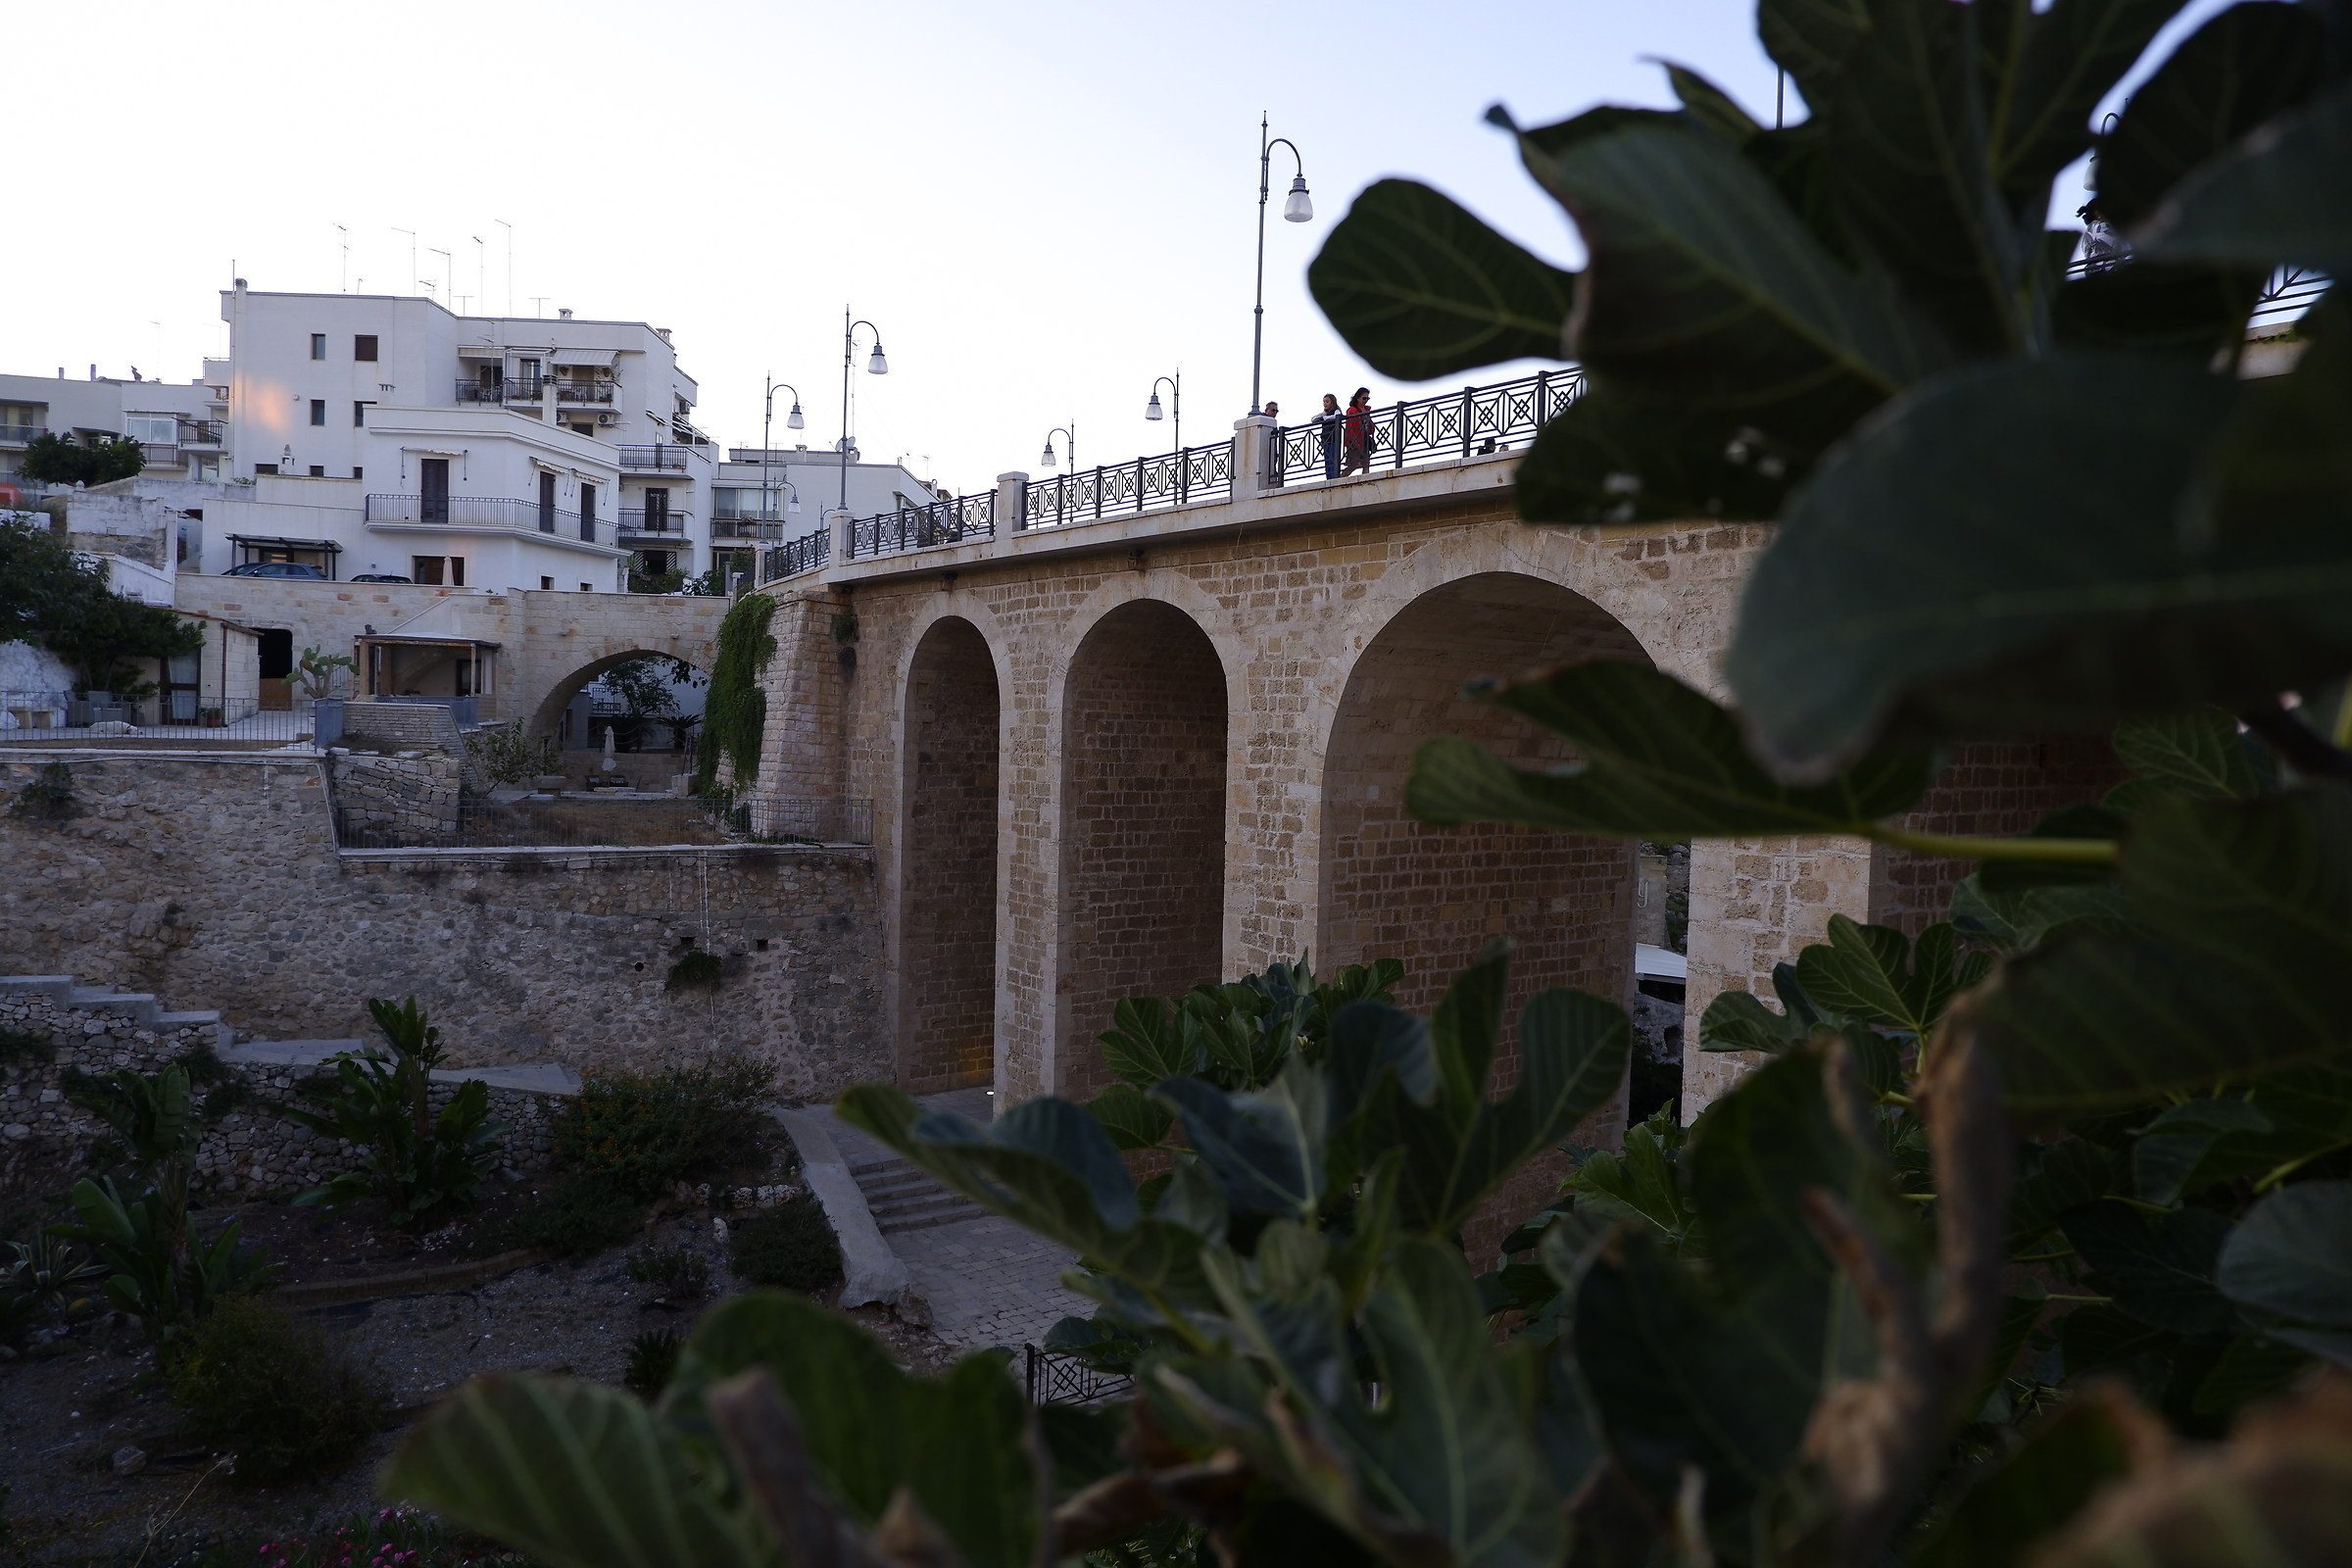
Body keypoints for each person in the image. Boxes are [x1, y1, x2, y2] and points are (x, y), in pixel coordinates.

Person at [2078, 199, 2130, 272]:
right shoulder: (2101, 227)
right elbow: (2121, 246)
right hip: (2108, 269)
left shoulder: (2090, 229)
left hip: (2096, 270)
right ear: (2098, 213)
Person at [1341, 387, 1373, 477]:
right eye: (1364, 398)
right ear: (1358, 398)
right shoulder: (1352, 410)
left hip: (1364, 439)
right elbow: (1350, 427)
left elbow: (1369, 425)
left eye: (1367, 398)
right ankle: (1339, 479)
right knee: (1353, 465)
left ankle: (1366, 481)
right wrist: (1353, 441)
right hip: (1355, 440)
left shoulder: (1366, 410)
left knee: (1366, 463)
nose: (1366, 400)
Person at [1315, 393, 1343, 479]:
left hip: (1333, 439)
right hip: (1326, 440)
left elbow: (1336, 417)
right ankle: (1329, 478)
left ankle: (1333, 477)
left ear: (1332, 402)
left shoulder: (1336, 410)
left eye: (1327, 401)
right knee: (1327, 461)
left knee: (1332, 460)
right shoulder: (1325, 414)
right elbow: (1313, 419)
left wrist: (1325, 418)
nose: (1325, 403)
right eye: (1324, 402)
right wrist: (1323, 414)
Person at [1260, 401, 1285, 486]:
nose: (1275, 413)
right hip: (1265, 452)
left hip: (1272, 451)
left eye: (1276, 411)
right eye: (1273, 410)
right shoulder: (1263, 420)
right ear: (1267, 410)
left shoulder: (1272, 423)